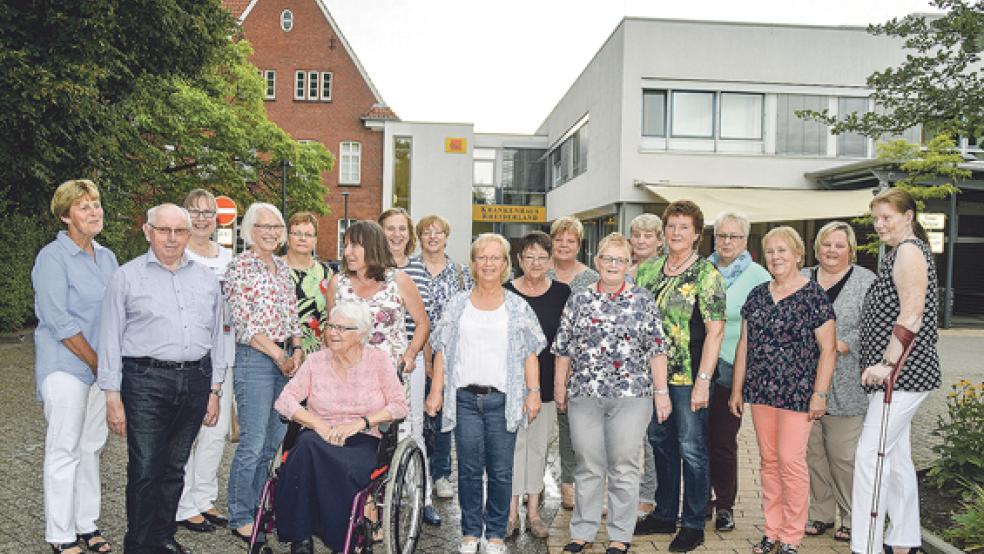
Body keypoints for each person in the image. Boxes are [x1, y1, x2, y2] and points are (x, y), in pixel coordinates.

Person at [97, 203, 226, 554]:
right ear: (148, 231)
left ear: (190, 233)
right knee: (145, 468)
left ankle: (163, 537)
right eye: (164, 230)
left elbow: (217, 336)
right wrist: (112, 395)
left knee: (174, 467)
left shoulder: (205, 278)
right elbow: (109, 337)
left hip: (196, 380)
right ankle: (138, 545)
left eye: (179, 231)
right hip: (145, 382)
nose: (172, 238)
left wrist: (215, 389)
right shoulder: (126, 277)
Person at [425, 233, 546, 554]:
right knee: (467, 469)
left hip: (503, 401)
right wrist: (436, 391)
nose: (489, 263)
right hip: (464, 399)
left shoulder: (517, 306)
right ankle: (469, 533)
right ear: (474, 264)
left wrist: (533, 393)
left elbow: (530, 353)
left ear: (506, 264)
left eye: (496, 258)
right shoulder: (458, 304)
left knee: (501, 470)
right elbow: (441, 351)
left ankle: (494, 535)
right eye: (483, 257)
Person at [553, 233, 669, 554]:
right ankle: (583, 531)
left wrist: (662, 393)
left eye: (620, 259)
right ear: (597, 262)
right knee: (588, 464)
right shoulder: (579, 298)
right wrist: (559, 387)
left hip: (632, 394)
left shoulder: (642, 299)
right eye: (608, 258)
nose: (613, 265)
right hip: (584, 393)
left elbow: (657, 349)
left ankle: (620, 535)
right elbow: (563, 348)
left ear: (629, 264)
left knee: (623, 464)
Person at [729, 226, 836, 554]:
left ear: (798, 255)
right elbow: (744, 346)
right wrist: (736, 390)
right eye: (771, 251)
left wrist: (820, 393)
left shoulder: (813, 294)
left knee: (791, 461)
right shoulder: (758, 295)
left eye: (783, 251)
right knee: (769, 461)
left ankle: (791, 535)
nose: (776, 257)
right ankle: (771, 531)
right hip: (761, 392)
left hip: (798, 394)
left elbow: (828, 349)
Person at [273, 301, 409, 554]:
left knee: (344, 466)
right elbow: (285, 401)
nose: (333, 333)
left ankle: (343, 538)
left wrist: (363, 422)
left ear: (360, 334)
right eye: (331, 326)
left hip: (363, 438)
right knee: (305, 446)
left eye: (343, 328)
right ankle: (300, 539)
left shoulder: (378, 361)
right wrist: (318, 425)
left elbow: (400, 405)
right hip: (318, 436)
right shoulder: (315, 362)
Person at [851, 188, 941, 554]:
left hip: (901, 376)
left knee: (870, 456)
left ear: (909, 215)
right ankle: (904, 542)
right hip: (901, 375)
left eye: (886, 217)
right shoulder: (899, 251)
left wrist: (887, 365)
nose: (879, 224)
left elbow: (912, 314)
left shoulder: (907, 251)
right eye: (875, 218)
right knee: (898, 458)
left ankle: (865, 546)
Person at [33, 180, 119, 554]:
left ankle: (86, 524)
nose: (94, 211)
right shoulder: (52, 257)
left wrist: (112, 366)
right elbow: (60, 322)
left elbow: (117, 317)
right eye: (84, 207)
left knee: (91, 448)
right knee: (64, 449)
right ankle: (60, 534)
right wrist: (100, 364)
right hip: (66, 366)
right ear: (66, 215)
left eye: (97, 204)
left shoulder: (109, 257)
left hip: (101, 370)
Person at [635, 201, 726, 552]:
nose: (676, 232)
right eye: (671, 226)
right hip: (654, 379)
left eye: (683, 227)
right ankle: (664, 513)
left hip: (689, 377)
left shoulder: (707, 275)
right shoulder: (649, 270)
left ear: (697, 235)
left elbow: (715, 332)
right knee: (661, 444)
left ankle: (692, 523)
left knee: (693, 449)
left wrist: (704, 380)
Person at [224, 202, 303, 544]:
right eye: (264, 226)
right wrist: (278, 356)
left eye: (276, 226)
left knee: (274, 440)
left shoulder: (283, 268)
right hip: (256, 358)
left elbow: (292, 314)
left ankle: (257, 504)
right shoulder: (239, 267)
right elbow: (245, 323)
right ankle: (240, 513)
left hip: (285, 356)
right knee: (253, 441)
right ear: (249, 231)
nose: (271, 232)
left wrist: (297, 349)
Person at [801, 222, 875, 542]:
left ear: (851, 249)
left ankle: (850, 515)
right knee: (813, 452)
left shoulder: (865, 281)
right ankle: (820, 513)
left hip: (847, 381)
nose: (831, 250)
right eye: (826, 244)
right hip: (804, 380)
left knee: (843, 455)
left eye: (839, 245)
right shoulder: (801, 278)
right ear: (817, 247)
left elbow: (874, 327)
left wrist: (840, 344)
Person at [174, 189, 236, 534]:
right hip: (189, 353)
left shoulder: (228, 257)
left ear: (217, 217)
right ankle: (182, 504)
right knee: (187, 429)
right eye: (194, 211)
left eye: (207, 212)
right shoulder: (176, 254)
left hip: (223, 353)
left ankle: (203, 497)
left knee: (217, 430)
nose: (201, 218)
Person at [706, 212, 771, 533]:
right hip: (698, 368)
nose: (726, 242)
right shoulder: (702, 270)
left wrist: (745, 381)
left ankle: (725, 506)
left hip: (733, 371)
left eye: (733, 236)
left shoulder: (758, 276)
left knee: (722, 440)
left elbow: (763, 331)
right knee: (694, 440)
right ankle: (698, 500)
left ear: (745, 240)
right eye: (721, 235)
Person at [504, 231, 571, 539]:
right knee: (514, 448)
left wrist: (562, 385)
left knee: (538, 449)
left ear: (550, 261)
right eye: (529, 256)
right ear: (519, 260)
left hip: (545, 382)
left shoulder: (562, 293)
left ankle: (533, 513)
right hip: (511, 385)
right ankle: (510, 513)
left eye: (542, 257)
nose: (535, 263)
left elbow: (567, 341)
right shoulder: (506, 292)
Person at [377, 208, 440, 525]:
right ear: (381, 231)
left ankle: (422, 496)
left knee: (412, 427)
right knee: (376, 429)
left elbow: (424, 323)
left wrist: (425, 362)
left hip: (409, 360)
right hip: (374, 361)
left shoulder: (418, 270)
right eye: (390, 228)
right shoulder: (371, 268)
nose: (397, 234)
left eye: (402, 229)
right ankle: (381, 494)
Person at [414, 214, 473, 502]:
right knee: (414, 414)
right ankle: (415, 471)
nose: (433, 237)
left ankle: (441, 474)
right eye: (427, 232)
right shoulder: (409, 269)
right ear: (420, 237)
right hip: (413, 351)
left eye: (439, 232)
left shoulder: (461, 273)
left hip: (450, 354)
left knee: (443, 416)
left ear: (447, 237)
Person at [325, 220, 429, 383]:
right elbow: (329, 328)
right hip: (346, 378)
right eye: (345, 246)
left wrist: (410, 354)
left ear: (373, 247)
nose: (346, 252)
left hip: (389, 378)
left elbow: (422, 323)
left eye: (353, 246)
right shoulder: (338, 283)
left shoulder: (399, 281)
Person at [546, 215, 599, 510]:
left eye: (570, 240)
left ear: (579, 245)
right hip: (540, 360)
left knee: (572, 428)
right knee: (537, 425)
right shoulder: (541, 270)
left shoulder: (591, 278)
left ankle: (570, 483)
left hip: (579, 364)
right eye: (558, 239)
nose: (564, 245)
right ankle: (533, 486)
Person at [627, 213, 664, 518]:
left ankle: (648, 493)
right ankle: (622, 492)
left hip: (652, 364)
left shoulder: (664, 273)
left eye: (648, 235)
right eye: (637, 235)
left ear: (659, 240)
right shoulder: (622, 270)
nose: (641, 240)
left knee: (650, 437)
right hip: (622, 366)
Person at [284, 211, 332, 355]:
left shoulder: (326, 273)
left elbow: (331, 313)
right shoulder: (275, 269)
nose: (302, 239)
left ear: (315, 240)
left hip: (316, 352)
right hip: (280, 352)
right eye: (297, 233)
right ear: (287, 238)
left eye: (308, 234)